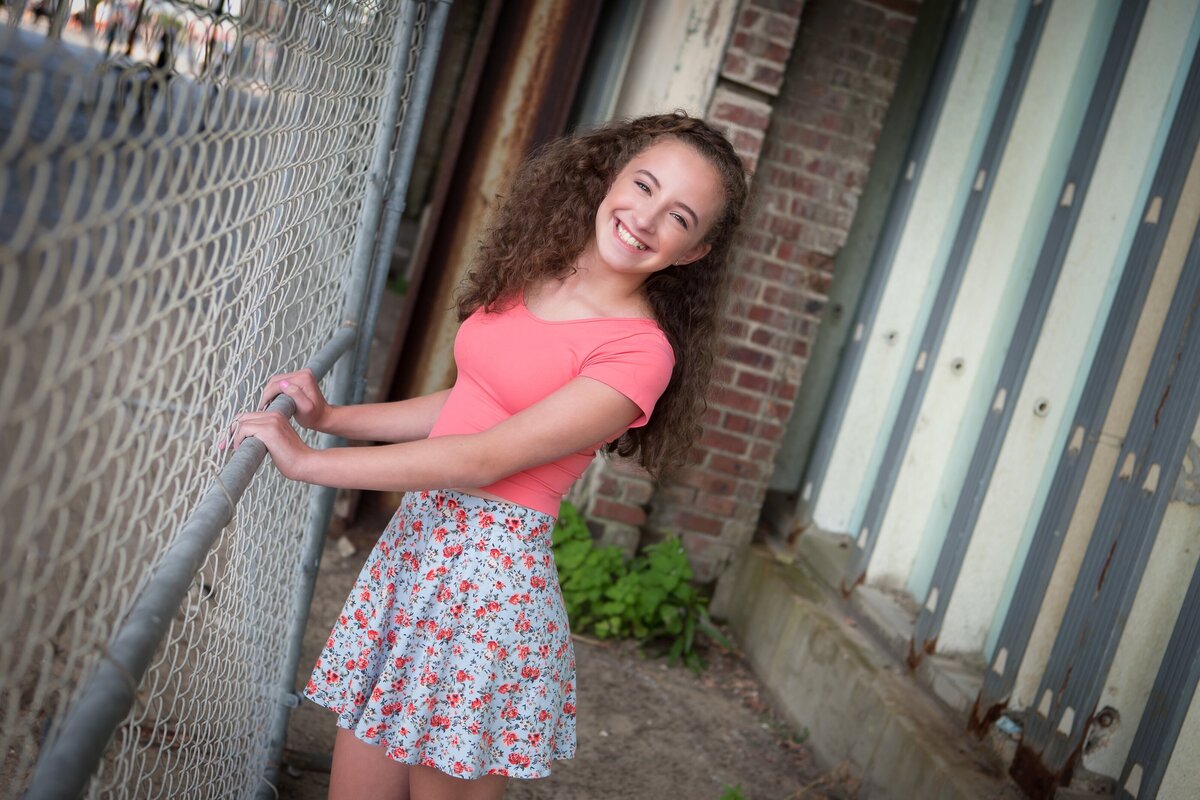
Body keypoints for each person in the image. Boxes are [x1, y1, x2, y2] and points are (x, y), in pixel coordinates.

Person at [230, 112, 748, 800]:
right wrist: (330, 420)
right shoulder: (539, 272)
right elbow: (465, 404)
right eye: (643, 185)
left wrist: (307, 462)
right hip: (420, 549)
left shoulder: (639, 352)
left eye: (679, 217)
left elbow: (481, 458)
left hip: (484, 593)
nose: (646, 218)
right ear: (611, 178)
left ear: (693, 252)